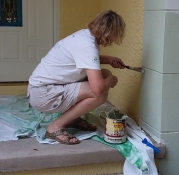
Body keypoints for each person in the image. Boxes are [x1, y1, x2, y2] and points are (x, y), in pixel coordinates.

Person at [28, 10, 126, 145]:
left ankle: (72, 118)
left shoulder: (84, 36)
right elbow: (98, 89)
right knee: (100, 93)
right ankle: (55, 127)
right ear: (110, 32)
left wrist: (109, 59)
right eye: (116, 34)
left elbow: (84, 58)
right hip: (43, 94)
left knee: (104, 74)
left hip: (43, 88)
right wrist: (112, 80)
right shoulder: (87, 46)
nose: (115, 39)